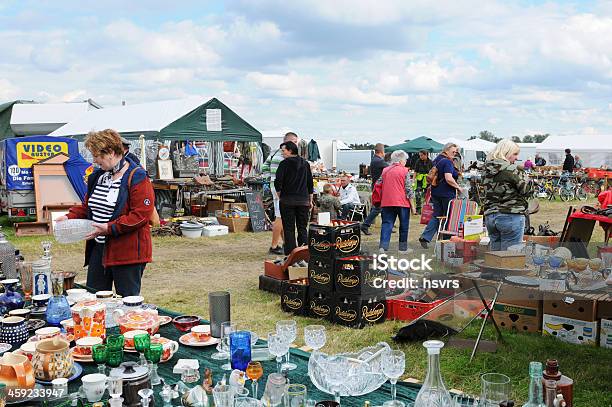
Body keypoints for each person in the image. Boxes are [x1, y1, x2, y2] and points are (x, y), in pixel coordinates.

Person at [57, 129, 154, 296]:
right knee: (95, 299)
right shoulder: (98, 176)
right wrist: (68, 216)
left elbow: (140, 216)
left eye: (97, 156)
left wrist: (109, 228)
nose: (94, 160)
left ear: (110, 152)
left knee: (127, 302)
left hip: (127, 253)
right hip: (99, 250)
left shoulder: (137, 176)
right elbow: (88, 206)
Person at [482, 139, 533, 251]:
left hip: (490, 216)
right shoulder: (512, 169)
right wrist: (529, 180)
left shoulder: (486, 169)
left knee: (495, 256)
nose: (516, 157)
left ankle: (493, 269)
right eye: (515, 154)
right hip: (510, 215)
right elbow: (526, 190)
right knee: (510, 257)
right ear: (506, 153)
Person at [419, 143, 463, 248]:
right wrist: (458, 187)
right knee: (448, 216)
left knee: (437, 215)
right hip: (446, 193)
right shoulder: (447, 161)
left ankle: (425, 237)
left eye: (456, 151)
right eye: (453, 151)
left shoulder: (437, 159)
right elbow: (448, 178)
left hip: (435, 192)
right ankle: (446, 240)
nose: (455, 153)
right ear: (446, 150)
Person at [274, 141, 314, 256]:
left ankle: (291, 255)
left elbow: (278, 182)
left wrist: (280, 196)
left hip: (287, 201)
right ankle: (304, 252)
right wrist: (310, 200)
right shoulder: (305, 164)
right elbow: (309, 184)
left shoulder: (284, 164)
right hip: (303, 201)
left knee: (289, 229)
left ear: (290, 150)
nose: (282, 153)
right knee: (302, 228)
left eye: (284, 150)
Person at [262, 132, 299, 254]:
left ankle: (285, 243)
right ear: (287, 141)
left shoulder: (275, 152)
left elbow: (264, 166)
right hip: (281, 188)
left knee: (281, 215)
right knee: (280, 216)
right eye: (294, 141)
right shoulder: (286, 154)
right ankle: (273, 246)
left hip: (274, 185)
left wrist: (269, 178)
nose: (296, 144)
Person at [378, 150, 417, 252]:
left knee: (387, 224)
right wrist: (413, 207)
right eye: (405, 160)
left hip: (387, 201)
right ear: (401, 160)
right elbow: (409, 189)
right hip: (402, 202)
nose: (406, 162)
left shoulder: (385, 170)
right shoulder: (405, 171)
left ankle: (383, 247)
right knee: (404, 225)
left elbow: (378, 185)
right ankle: (402, 248)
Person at [361, 143, 388, 235]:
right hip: (379, 188)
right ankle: (365, 225)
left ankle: (387, 226)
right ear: (381, 151)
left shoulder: (375, 159)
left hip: (378, 187)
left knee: (383, 208)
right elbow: (390, 168)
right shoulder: (379, 161)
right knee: (378, 208)